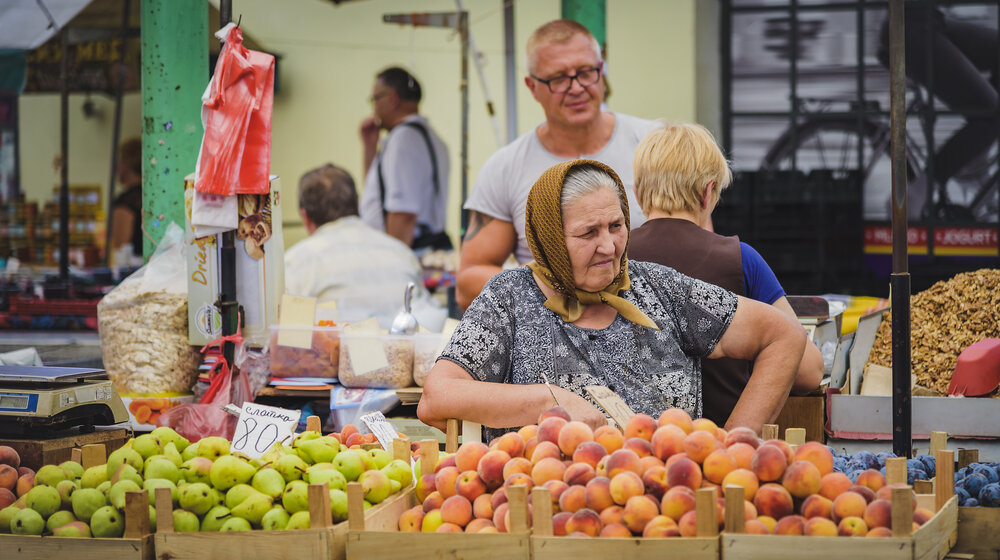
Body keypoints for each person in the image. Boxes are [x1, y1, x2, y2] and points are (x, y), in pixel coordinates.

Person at [418, 159, 808, 441]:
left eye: (617, 226)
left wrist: (733, 444)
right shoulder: (510, 298)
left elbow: (783, 335)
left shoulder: (659, 289)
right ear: (551, 238)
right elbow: (437, 397)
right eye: (588, 233)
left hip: (666, 512)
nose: (609, 246)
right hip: (542, 513)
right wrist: (551, 400)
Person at [628, 122, 824, 426]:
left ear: (638, 195)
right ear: (709, 193)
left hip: (629, 445)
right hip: (721, 449)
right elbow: (809, 370)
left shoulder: (610, 257)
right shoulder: (741, 259)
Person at [457, 19, 658, 309]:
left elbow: (699, 245)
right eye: (559, 78)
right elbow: (468, 282)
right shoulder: (506, 167)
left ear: (601, 71)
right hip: (550, 336)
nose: (576, 88)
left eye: (586, 72)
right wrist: (559, 287)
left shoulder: (653, 146)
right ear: (532, 87)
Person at [877, 2, 998, 220]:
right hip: (911, 28)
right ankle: (916, 193)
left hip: (930, 20)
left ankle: (974, 157)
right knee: (993, 115)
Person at [285, 164, 441, 327]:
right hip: (406, 350)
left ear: (305, 217)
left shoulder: (295, 261)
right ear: (358, 205)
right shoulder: (401, 251)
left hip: (339, 351)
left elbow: (288, 334)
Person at [359, 67, 451, 250]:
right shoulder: (432, 138)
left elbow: (404, 213)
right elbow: (380, 193)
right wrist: (370, 147)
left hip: (407, 253)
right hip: (425, 248)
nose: (373, 107)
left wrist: (394, 265)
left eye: (375, 99)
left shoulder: (403, 140)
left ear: (392, 99)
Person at [110, 138, 143, 260]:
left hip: (132, 268)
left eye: (119, 161)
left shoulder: (126, 201)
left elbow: (120, 245)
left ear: (126, 163)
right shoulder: (150, 196)